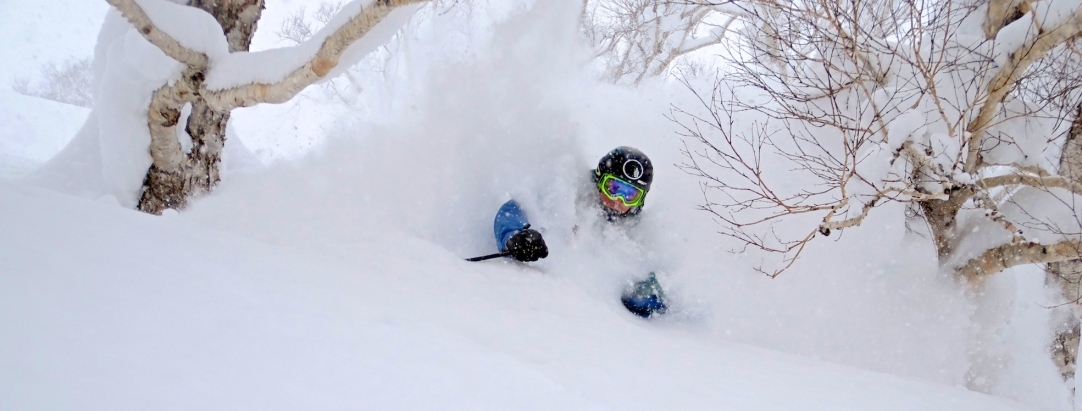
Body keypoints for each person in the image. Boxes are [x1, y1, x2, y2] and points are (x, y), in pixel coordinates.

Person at [484, 146, 667, 318]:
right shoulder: (569, 191)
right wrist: (514, 238)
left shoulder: (636, 230)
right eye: (614, 188)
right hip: (537, 296)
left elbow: (654, 274)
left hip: (590, 314)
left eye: (630, 195)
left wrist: (646, 292)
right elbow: (512, 211)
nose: (619, 200)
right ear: (599, 180)